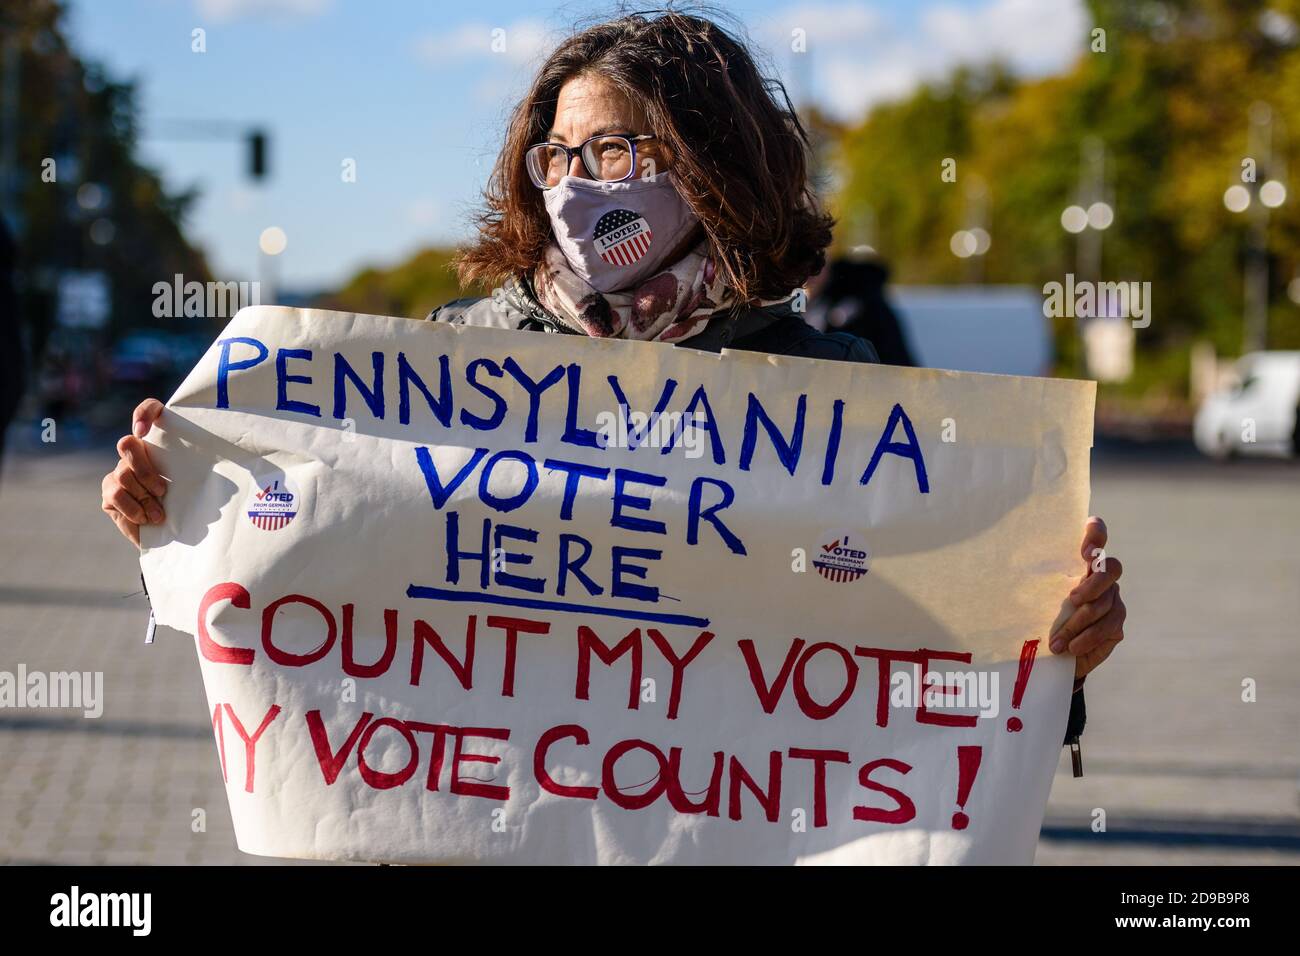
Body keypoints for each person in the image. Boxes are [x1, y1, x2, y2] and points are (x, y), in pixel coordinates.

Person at [99, 11, 1123, 756]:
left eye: (619, 148)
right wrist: (183, 510)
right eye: (557, 154)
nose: (577, 184)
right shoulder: (456, 365)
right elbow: (330, 572)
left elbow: (919, 641)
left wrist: (1053, 657)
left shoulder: (833, 392)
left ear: (714, 160)